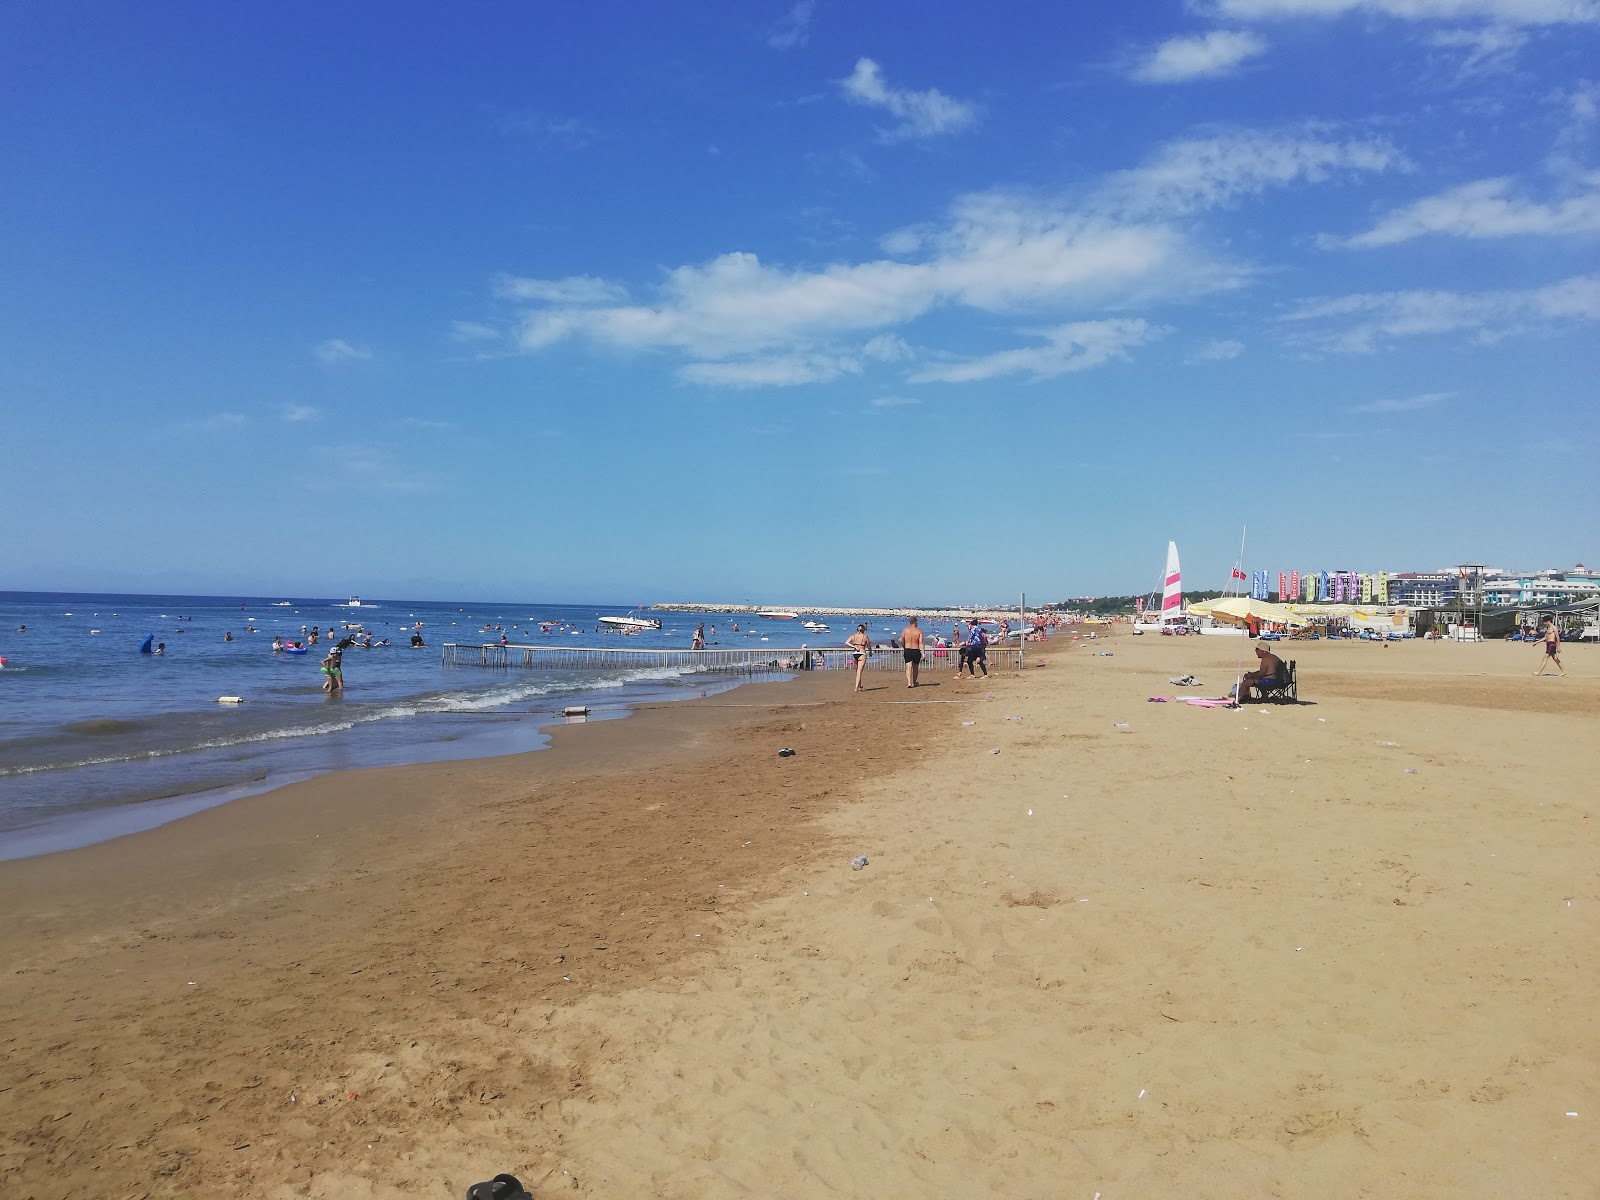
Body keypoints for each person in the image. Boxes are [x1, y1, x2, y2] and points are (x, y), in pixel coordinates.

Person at [900, 616, 925, 687]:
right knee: (915, 667)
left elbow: (902, 640)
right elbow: (921, 643)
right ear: (916, 622)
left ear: (910, 622)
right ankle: (914, 682)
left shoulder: (905, 630)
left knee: (908, 666)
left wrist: (904, 647)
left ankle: (909, 682)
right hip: (916, 650)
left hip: (908, 649)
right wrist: (923, 653)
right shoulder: (919, 631)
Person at [847, 623, 872, 692]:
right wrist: (870, 652)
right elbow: (869, 645)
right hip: (862, 653)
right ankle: (856, 688)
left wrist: (854, 646)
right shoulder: (865, 636)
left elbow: (847, 642)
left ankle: (860, 686)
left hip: (855, 653)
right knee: (859, 672)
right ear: (863, 630)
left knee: (857, 672)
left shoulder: (853, 636)